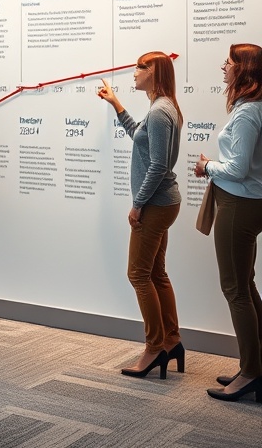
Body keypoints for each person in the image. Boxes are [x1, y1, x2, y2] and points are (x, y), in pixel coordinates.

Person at [98, 51, 183, 379]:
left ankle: (154, 348)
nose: (134, 72)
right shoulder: (162, 108)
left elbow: (159, 165)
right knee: (156, 274)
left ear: (155, 72)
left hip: (156, 204)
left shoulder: (161, 111)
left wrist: (138, 204)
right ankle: (172, 341)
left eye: (140, 67)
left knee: (138, 274)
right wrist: (117, 105)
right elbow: (140, 139)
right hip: (163, 202)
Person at [194, 44, 262, 403]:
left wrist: (207, 166)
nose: (225, 67)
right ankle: (255, 365)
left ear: (246, 71)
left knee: (234, 288)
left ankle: (251, 372)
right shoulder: (249, 109)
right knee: (245, 285)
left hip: (239, 203)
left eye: (231, 62)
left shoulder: (249, 113)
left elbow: (236, 169)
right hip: (244, 201)